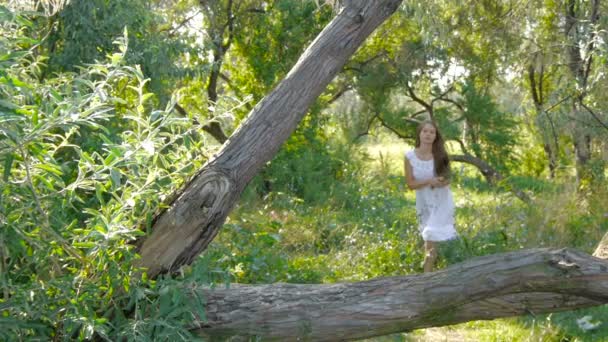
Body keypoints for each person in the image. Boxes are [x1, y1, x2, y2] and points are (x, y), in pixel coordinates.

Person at [403, 120, 457, 272]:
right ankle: (432, 271)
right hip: (423, 201)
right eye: (425, 131)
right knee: (429, 237)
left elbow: (448, 179)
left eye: (432, 132)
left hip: (441, 200)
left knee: (430, 235)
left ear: (435, 136)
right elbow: (410, 184)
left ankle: (426, 276)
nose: (428, 134)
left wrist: (441, 181)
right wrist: (429, 181)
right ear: (419, 134)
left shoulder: (440, 155)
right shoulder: (409, 157)